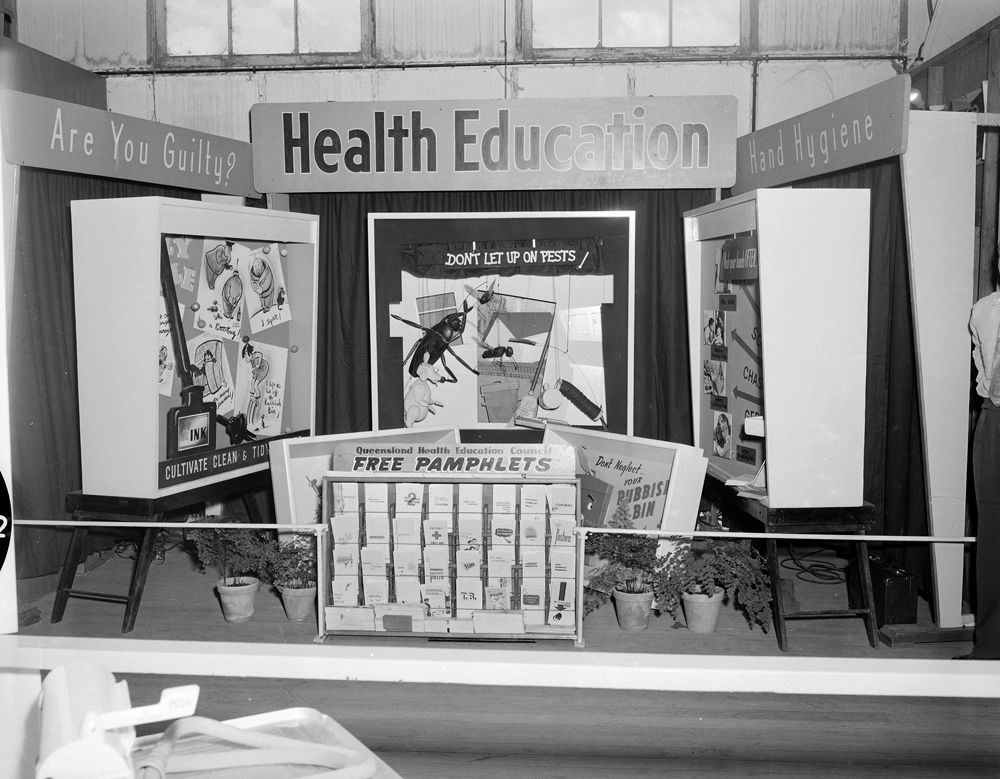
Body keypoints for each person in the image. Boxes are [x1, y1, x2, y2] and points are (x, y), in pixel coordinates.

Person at [964, 291, 1000, 659]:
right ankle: (990, 649)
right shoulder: (983, 310)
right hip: (994, 419)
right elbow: (984, 368)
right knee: (992, 535)